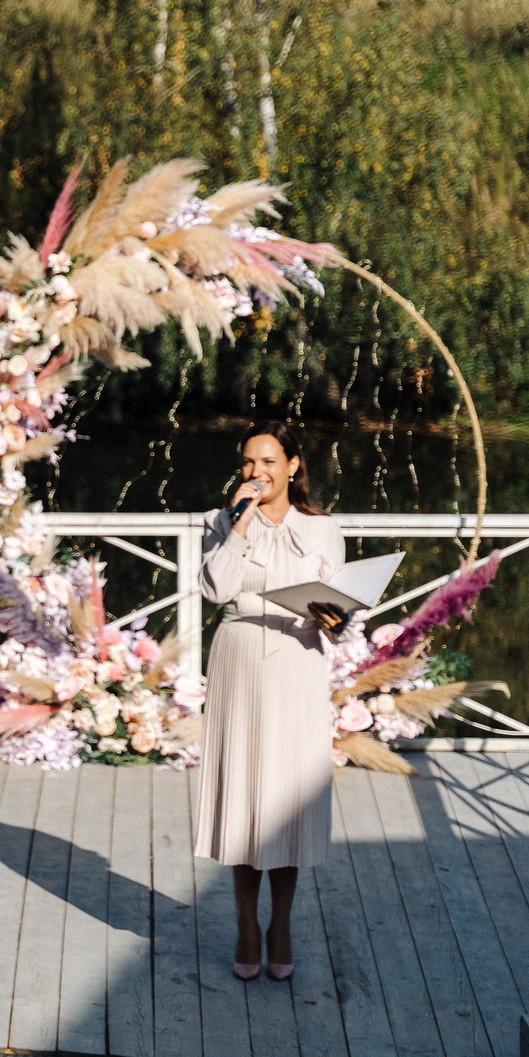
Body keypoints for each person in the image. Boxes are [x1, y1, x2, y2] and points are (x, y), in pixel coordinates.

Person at [195, 420, 348, 983]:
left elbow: (340, 605)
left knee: (285, 799)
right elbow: (215, 589)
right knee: (244, 792)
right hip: (238, 657)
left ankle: (281, 923)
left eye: (267, 462)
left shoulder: (323, 529)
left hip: (298, 661)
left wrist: (336, 619)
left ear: (292, 465)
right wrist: (237, 526)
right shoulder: (222, 522)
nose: (256, 473)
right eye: (248, 463)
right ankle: (244, 923)